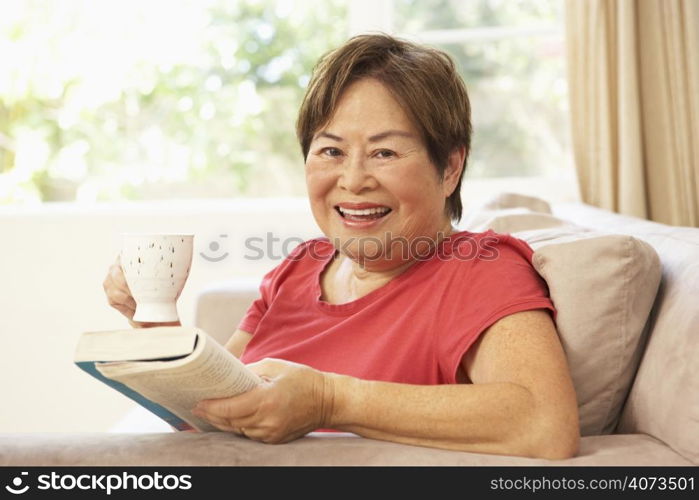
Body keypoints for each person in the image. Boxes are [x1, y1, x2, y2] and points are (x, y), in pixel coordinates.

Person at [103, 33, 579, 459]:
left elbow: (543, 422)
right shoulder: (299, 267)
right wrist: (155, 321)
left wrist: (332, 400)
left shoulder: (482, 267)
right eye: (331, 151)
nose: (352, 181)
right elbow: (214, 414)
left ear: (450, 167)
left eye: (384, 153)